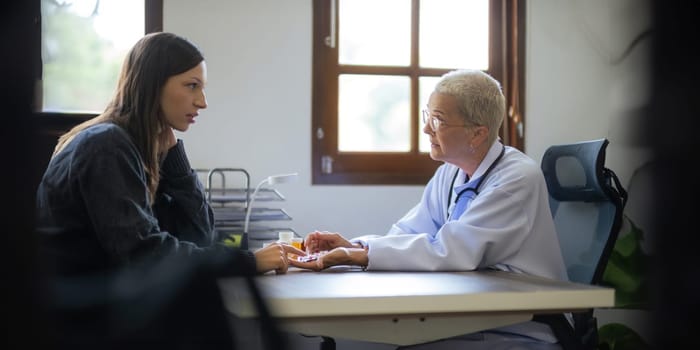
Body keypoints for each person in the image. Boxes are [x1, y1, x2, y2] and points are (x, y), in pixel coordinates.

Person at [293, 69, 568, 349]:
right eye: (428, 116)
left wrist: (357, 257)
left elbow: (452, 251)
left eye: (438, 120)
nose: (426, 129)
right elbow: (409, 231)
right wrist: (355, 245)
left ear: (477, 134)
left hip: (521, 324)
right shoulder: (450, 173)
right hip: (477, 311)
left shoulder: (516, 178)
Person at [35, 31, 304, 277]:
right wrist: (248, 261)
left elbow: (199, 235)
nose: (202, 101)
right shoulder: (107, 145)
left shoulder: (139, 148)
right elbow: (145, 255)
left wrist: (174, 154)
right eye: (192, 86)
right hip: (83, 320)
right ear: (154, 85)